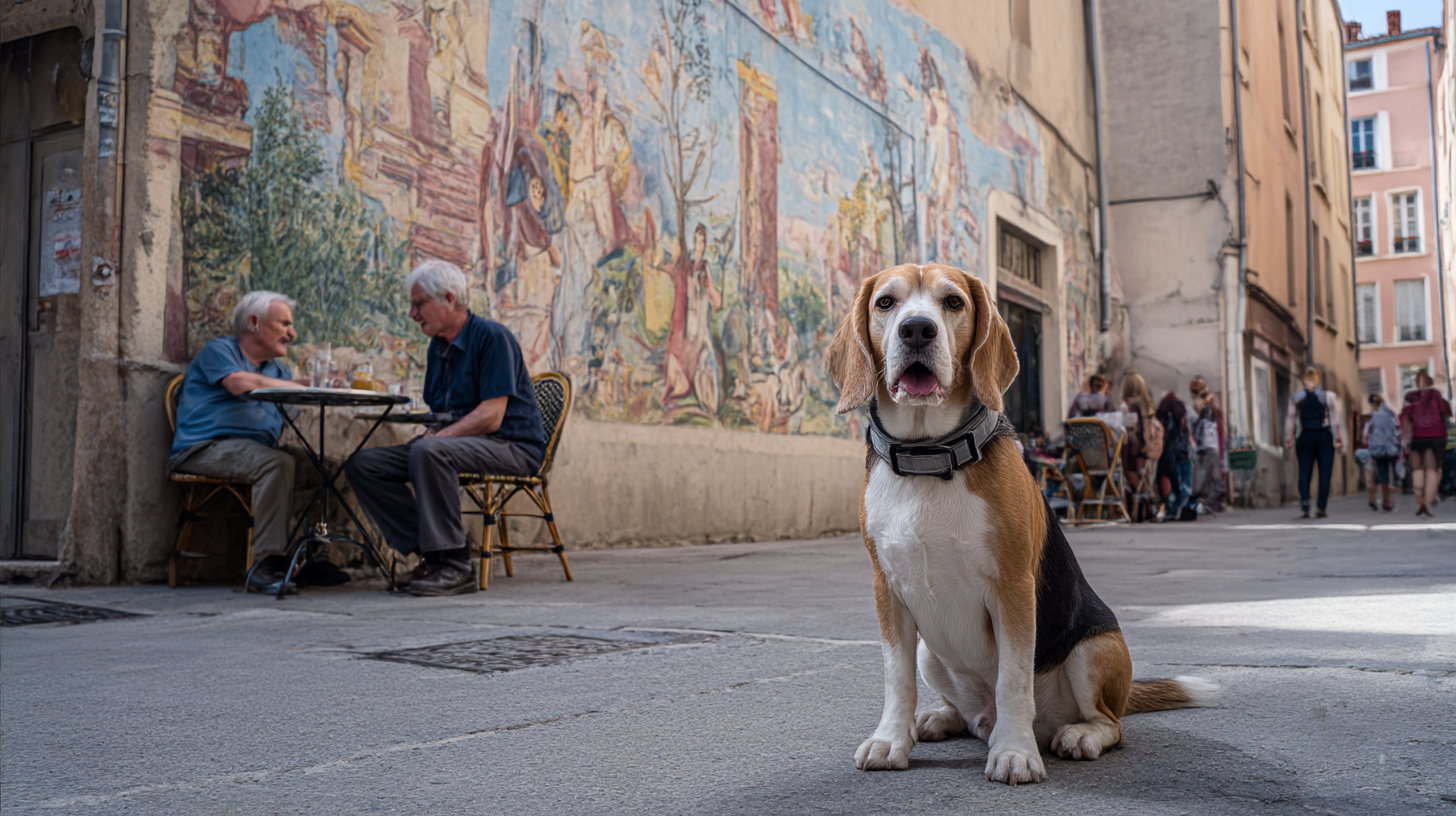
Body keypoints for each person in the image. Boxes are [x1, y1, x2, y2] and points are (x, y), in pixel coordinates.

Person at [345, 261, 548, 596]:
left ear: (450, 299)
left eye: (419, 304)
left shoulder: (492, 337)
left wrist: (436, 438)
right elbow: (441, 413)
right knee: (364, 465)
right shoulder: (438, 347)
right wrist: (431, 433)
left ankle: (456, 565)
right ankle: (431, 556)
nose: (412, 314)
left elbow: (491, 416)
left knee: (431, 450)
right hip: (456, 446)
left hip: (511, 446)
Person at [169, 291, 331, 593]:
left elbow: (294, 414)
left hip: (256, 450)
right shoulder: (220, 350)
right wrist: (296, 385)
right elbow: (238, 384)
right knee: (277, 464)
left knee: (323, 468)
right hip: (205, 448)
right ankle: (265, 565)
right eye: (285, 324)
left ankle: (308, 557)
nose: (292, 334)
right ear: (254, 322)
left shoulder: (278, 370)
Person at [1284, 366, 1343, 519]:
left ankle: (1305, 501)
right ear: (1317, 379)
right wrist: (1337, 438)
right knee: (1325, 473)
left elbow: (1291, 419)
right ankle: (1321, 506)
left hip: (1305, 436)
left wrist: (1289, 438)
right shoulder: (1328, 397)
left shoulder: (1297, 398)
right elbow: (1334, 420)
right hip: (1324, 436)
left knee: (1304, 471)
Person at [1400, 371, 1452, 517]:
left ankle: (1420, 501)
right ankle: (1428, 501)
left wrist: (1405, 438)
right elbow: (1447, 413)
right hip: (1437, 437)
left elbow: (1405, 417)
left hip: (1418, 438)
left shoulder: (1410, 396)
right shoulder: (1437, 395)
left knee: (1417, 469)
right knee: (1432, 470)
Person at [1117, 373, 1163, 504]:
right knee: (1143, 478)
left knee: (1130, 473)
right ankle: (1145, 503)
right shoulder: (1147, 404)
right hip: (1147, 447)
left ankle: (1143, 503)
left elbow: (1130, 427)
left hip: (1135, 447)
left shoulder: (1132, 405)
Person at [1189, 377, 1227, 512]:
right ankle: (1215, 500)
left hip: (1206, 445)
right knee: (1212, 474)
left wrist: (1196, 444)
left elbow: (1203, 427)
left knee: (1205, 475)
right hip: (1212, 445)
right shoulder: (1209, 407)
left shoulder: (1204, 407)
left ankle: (1211, 501)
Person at [1155, 391, 1194, 521]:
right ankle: (1176, 508)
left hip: (1166, 456)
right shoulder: (1180, 427)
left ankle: (1171, 508)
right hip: (1179, 457)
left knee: (1174, 487)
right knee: (1184, 488)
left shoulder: (1163, 419)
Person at [1363, 393, 1401, 512]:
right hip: (1390, 448)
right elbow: (1397, 430)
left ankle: (1374, 499)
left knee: (1374, 473)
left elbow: (1365, 435)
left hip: (1376, 449)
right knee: (1387, 473)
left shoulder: (1371, 417)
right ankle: (1386, 499)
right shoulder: (1391, 414)